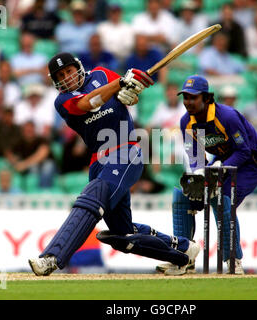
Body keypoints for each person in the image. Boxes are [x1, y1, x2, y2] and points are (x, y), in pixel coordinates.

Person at [27, 52, 200, 276]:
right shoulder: (61, 101)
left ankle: (51, 257)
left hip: (126, 151)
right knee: (123, 235)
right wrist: (121, 83)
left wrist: (131, 91)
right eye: (61, 75)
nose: (67, 77)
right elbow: (88, 103)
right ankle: (184, 251)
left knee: (94, 195)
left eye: (69, 71)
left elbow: (129, 97)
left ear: (78, 67)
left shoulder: (100, 74)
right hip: (99, 160)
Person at [156, 75, 257, 275]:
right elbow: (195, 157)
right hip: (222, 159)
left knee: (221, 197)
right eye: (186, 98)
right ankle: (183, 258)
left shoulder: (227, 116)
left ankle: (233, 260)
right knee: (184, 196)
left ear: (207, 98)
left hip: (253, 161)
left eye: (194, 98)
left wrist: (220, 168)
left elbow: (244, 151)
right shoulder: (186, 122)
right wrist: (200, 173)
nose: (188, 102)